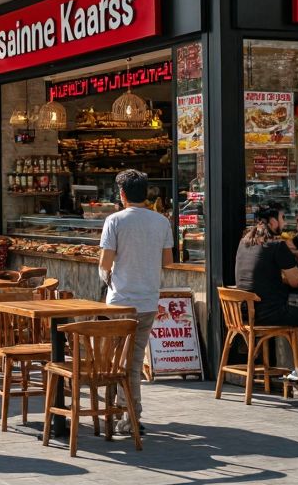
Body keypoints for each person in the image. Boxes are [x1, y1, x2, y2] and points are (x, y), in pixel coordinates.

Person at [98, 169, 174, 436]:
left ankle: (128, 415)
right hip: (149, 302)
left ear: (122, 194)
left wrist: (106, 275)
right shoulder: (162, 222)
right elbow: (167, 261)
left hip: (120, 303)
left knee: (120, 364)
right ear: (147, 193)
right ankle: (128, 412)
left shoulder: (115, 220)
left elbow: (105, 263)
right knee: (133, 361)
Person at [235, 207, 298, 392]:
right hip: (270, 314)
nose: (285, 223)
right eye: (282, 218)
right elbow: (297, 282)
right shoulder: (277, 245)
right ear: (272, 222)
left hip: (243, 313)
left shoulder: (244, 242)